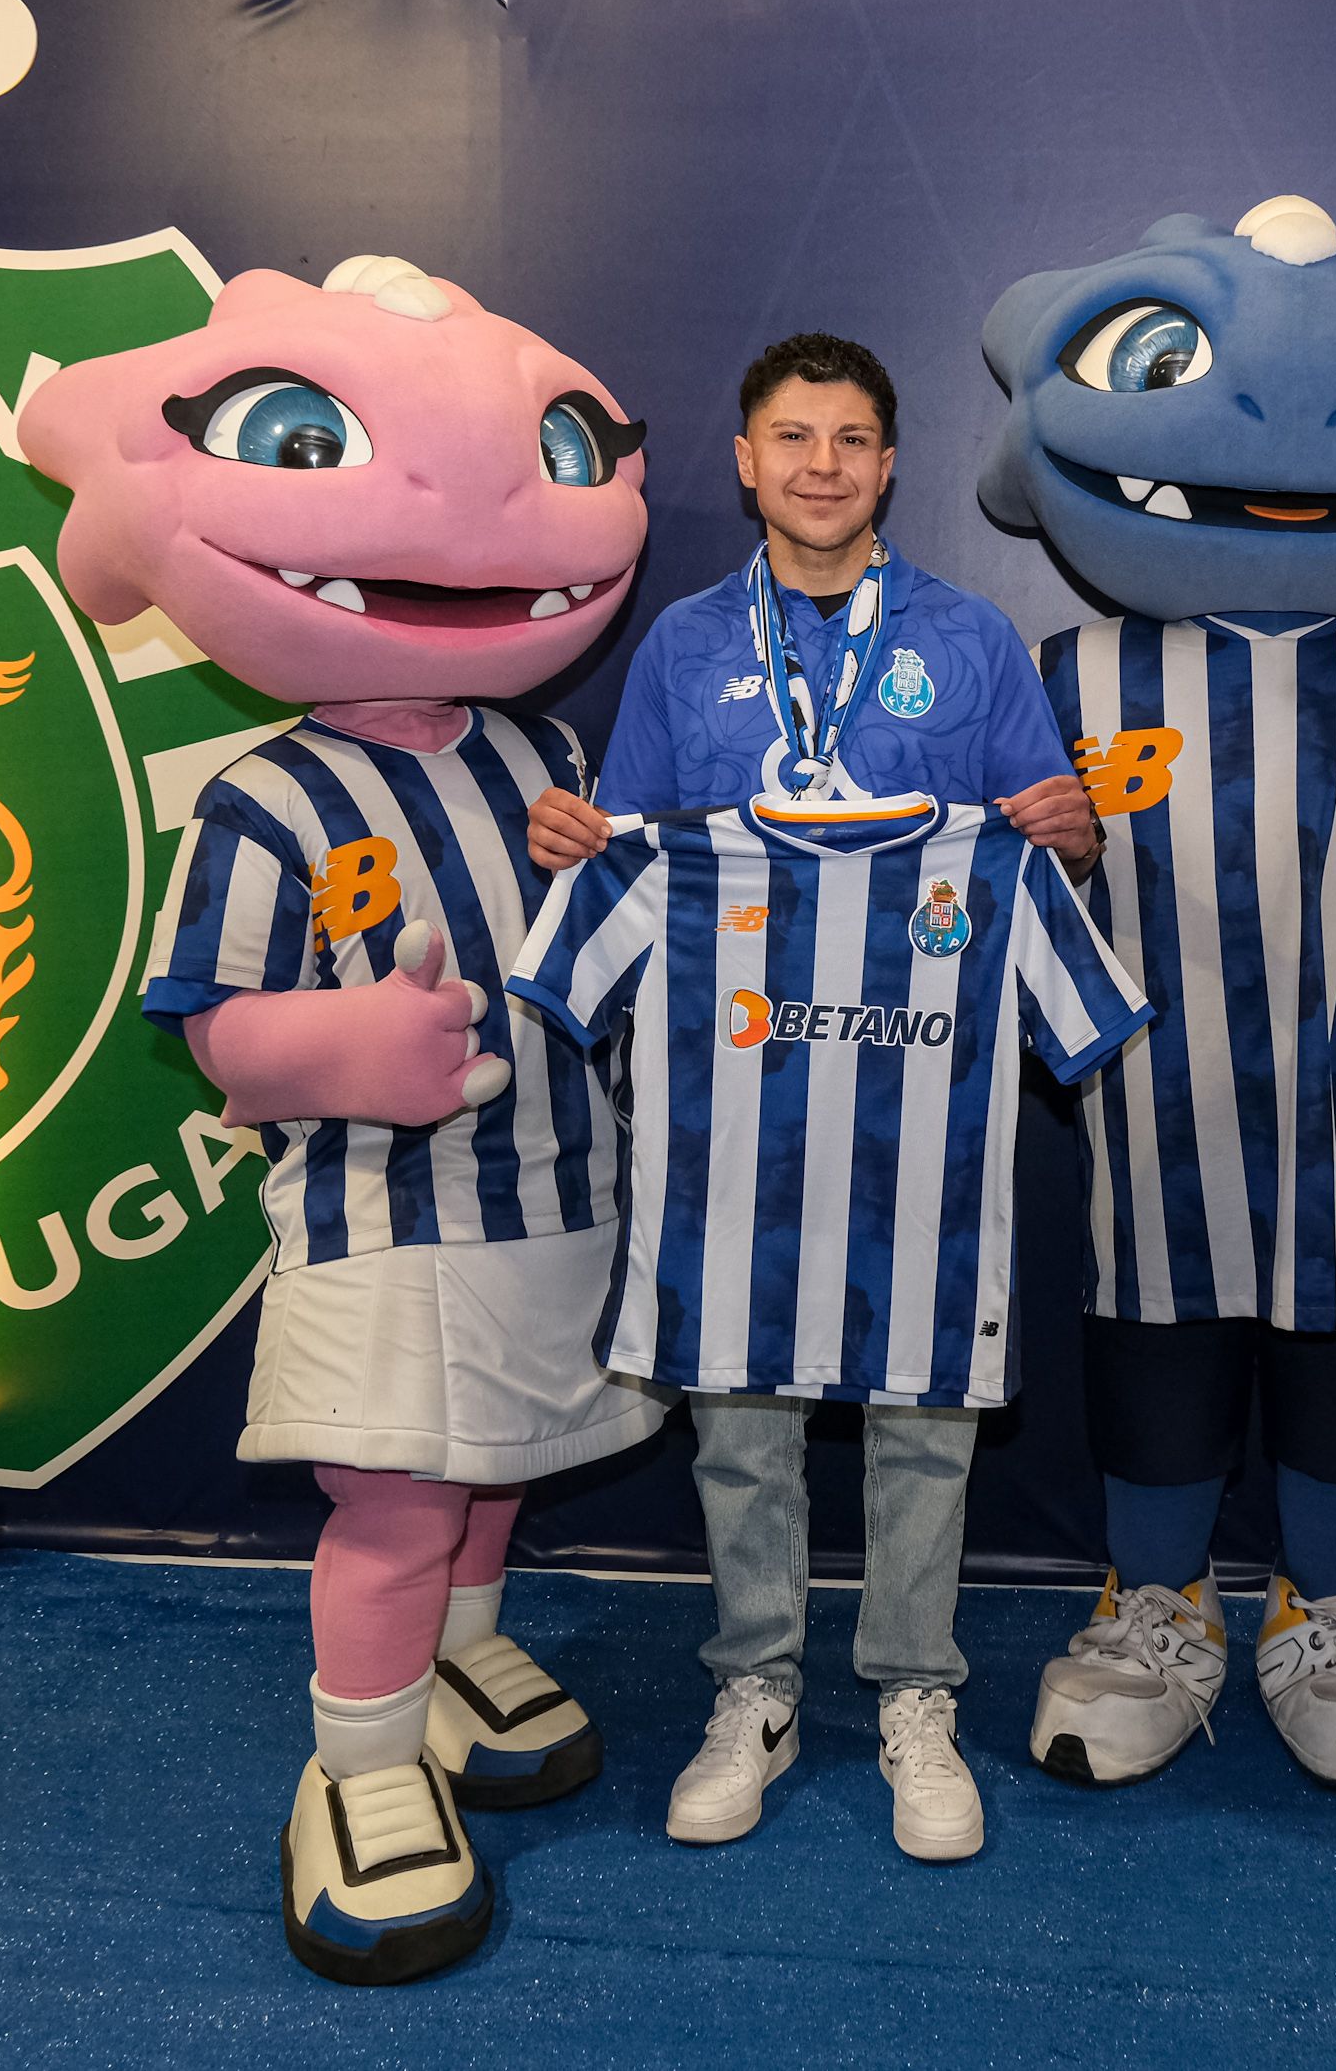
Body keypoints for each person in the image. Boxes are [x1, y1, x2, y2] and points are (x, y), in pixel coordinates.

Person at [28, 254, 667, 1984]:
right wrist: (344, 1043)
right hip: (381, 1218)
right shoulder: (266, 796)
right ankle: (364, 1767)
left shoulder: (547, 760)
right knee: (394, 1500)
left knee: (500, 1468)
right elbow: (213, 1025)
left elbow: (597, 942)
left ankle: (464, 1649)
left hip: (555, 1193)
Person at [969, 196, 1336, 1797]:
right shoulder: (1068, 675)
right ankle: (1154, 1602)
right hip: (1152, 1126)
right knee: (1157, 1350)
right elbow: (998, 904)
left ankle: (1334, 1602)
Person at [524, 332, 1102, 1861]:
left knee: (924, 1418)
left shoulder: (973, 640)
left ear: (890, 463)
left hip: (919, 1127)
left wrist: (1073, 834)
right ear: (746, 459)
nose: (823, 465)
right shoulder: (684, 646)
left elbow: (1045, 850)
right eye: (794, 436)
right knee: (739, 1421)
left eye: (851, 439)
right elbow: (633, 851)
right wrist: (581, 848)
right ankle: (757, 1686)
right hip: (733, 1128)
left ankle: (915, 1692)